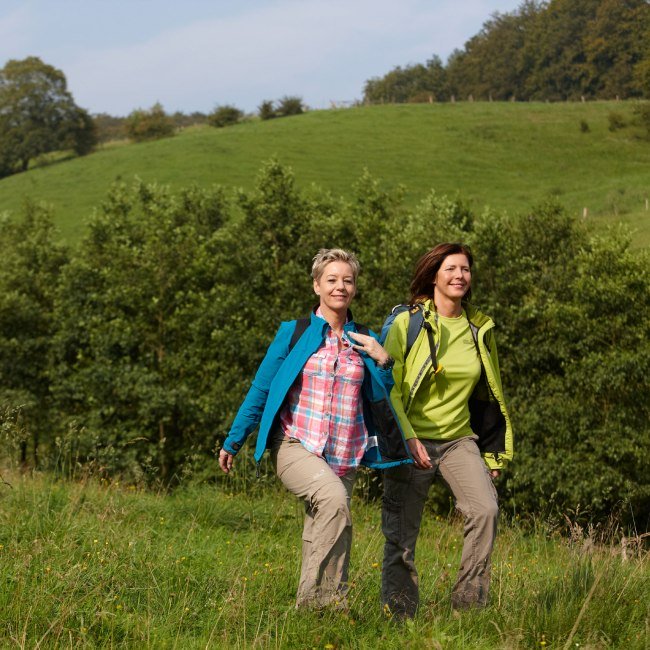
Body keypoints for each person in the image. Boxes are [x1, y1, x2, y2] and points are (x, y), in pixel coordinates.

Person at [219, 248, 411, 610]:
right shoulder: (294, 333)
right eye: (332, 280)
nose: (341, 286)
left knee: (328, 525)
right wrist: (234, 440)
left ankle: (319, 614)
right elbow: (262, 388)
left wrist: (382, 360)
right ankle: (319, 604)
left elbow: (384, 397)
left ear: (355, 288)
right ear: (317, 286)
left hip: (345, 453)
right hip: (296, 446)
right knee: (335, 503)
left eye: (348, 280)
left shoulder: (366, 339)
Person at [380, 242, 513, 617]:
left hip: (458, 440)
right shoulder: (408, 323)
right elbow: (387, 386)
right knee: (402, 537)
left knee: (485, 510)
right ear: (434, 275)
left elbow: (490, 393)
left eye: (465, 270)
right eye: (451, 269)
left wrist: (493, 451)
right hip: (410, 440)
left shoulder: (479, 328)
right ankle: (399, 617)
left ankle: (467, 610)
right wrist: (408, 437)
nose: (459, 276)